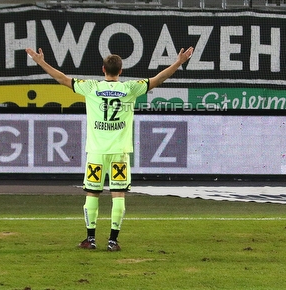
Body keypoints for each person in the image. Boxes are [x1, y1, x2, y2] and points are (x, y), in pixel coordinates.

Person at [25, 45, 194, 251]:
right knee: (118, 195)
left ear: (103, 70)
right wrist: (178, 62)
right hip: (120, 153)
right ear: (121, 71)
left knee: (92, 195)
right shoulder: (130, 88)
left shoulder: (91, 87)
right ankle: (113, 241)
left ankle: (91, 239)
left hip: (96, 152)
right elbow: (158, 79)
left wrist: (41, 62)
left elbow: (61, 78)